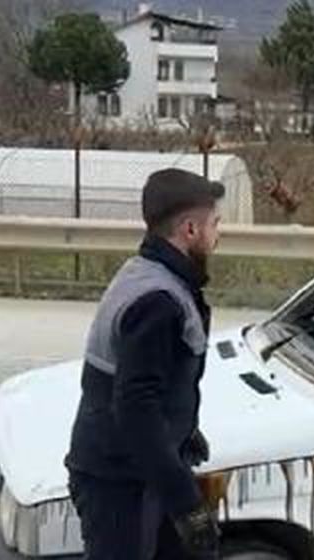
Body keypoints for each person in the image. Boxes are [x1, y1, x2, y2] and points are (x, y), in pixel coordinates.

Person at [65, 168, 225, 559]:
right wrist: (188, 505)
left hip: (143, 467)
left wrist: (184, 431)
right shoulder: (157, 301)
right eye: (215, 223)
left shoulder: (150, 273)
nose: (219, 234)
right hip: (119, 482)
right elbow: (136, 408)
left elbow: (158, 383)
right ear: (190, 229)